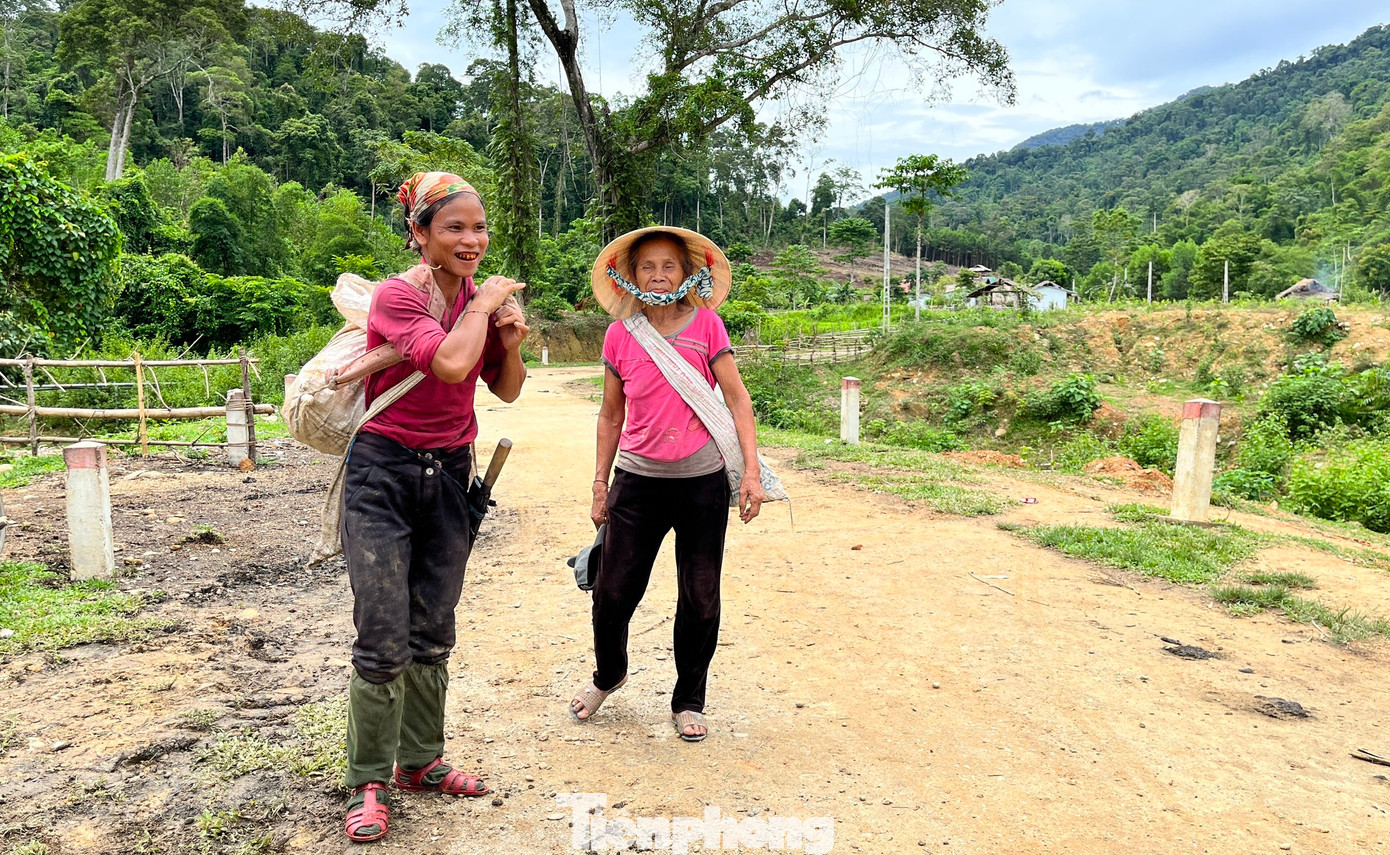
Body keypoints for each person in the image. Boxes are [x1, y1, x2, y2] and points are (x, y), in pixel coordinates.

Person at [340, 172, 528, 842]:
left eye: (478, 228)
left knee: (433, 624)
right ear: (420, 234)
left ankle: (420, 760)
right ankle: (370, 778)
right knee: (383, 628)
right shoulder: (398, 296)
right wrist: (484, 309)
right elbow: (449, 365)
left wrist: (508, 338)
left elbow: (501, 388)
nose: (472, 240)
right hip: (382, 475)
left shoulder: (475, 301)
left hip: (450, 473)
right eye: (454, 227)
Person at [571, 226, 766, 743]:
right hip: (636, 482)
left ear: (688, 273)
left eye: (669, 266)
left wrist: (749, 471)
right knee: (612, 594)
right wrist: (598, 485)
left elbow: (738, 399)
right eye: (647, 267)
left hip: (701, 484)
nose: (658, 276)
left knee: (700, 597)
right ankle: (608, 675)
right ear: (629, 276)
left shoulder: (707, 326)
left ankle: (689, 699)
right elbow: (611, 416)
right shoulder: (620, 334)